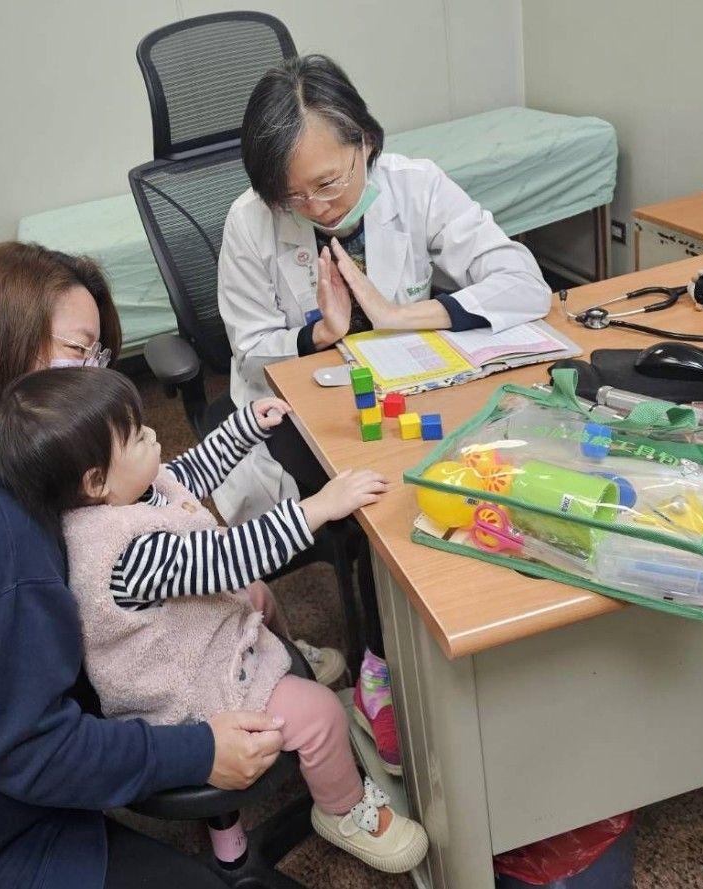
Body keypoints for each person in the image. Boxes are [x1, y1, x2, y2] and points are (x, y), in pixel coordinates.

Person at [0, 242, 286, 889]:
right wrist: (201, 751)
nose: (93, 377)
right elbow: (26, 748)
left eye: (99, 357)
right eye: (78, 351)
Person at [215, 54, 551, 776]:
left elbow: (525, 284)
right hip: (295, 409)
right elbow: (248, 347)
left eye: (328, 183)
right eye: (293, 195)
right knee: (376, 504)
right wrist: (320, 333)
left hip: (409, 389)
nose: (315, 207)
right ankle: (381, 662)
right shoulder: (249, 222)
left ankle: (487, 643)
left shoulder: (415, 185)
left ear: (364, 142)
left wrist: (403, 316)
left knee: (466, 475)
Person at [0, 366, 430, 873]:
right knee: (322, 713)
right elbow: (231, 556)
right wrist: (319, 507)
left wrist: (245, 427)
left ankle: (282, 658)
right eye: (137, 436)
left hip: (190, 635)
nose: (153, 433)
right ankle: (345, 810)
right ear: (95, 481)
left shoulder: (128, 489)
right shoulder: (124, 551)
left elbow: (190, 472)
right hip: (184, 691)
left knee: (257, 595)